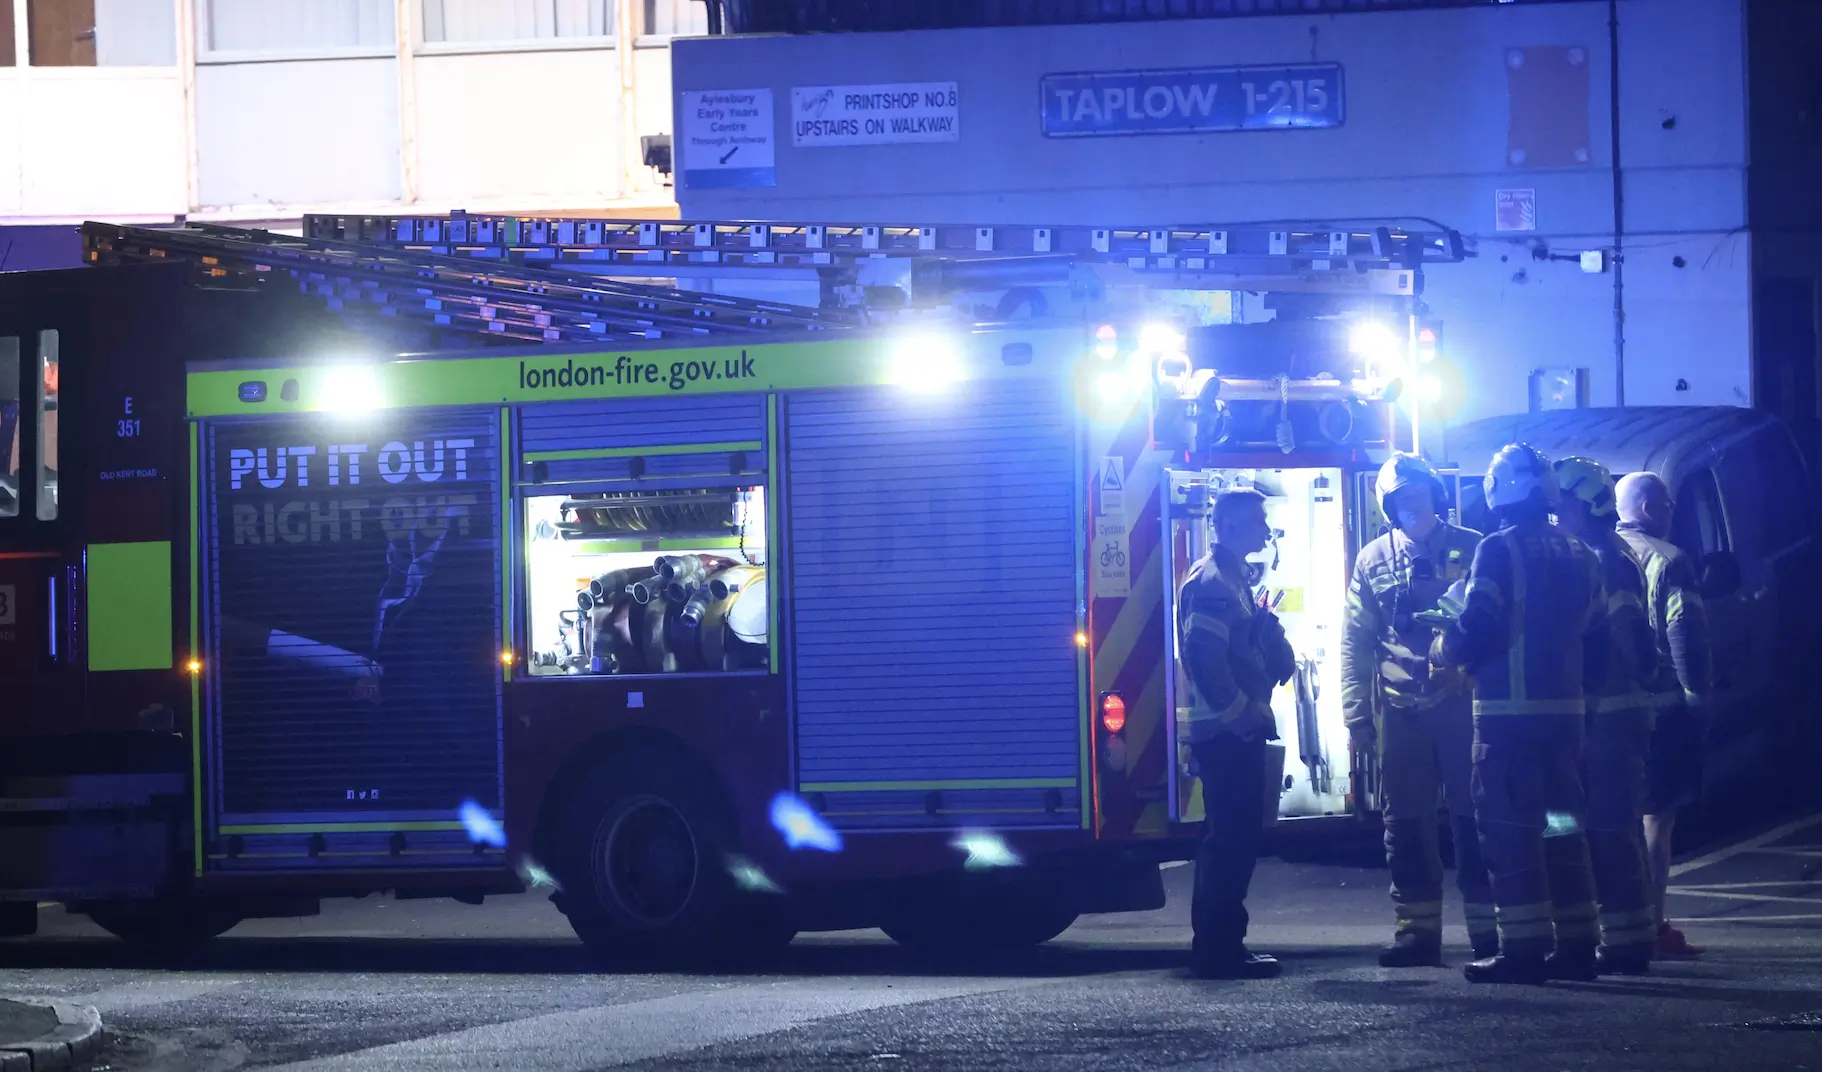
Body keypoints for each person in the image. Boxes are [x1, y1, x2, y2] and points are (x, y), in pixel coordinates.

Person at [1439, 443, 1605, 984]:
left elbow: (1480, 624)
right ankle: (1579, 944)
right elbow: (1598, 637)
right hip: (1566, 721)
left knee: (1509, 832)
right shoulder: (1581, 552)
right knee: (1562, 830)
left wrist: (1444, 646)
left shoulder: (1498, 549)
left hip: (1509, 724)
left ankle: (1523, 950)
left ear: (1500, 491)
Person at [1342, 454, 1496, 967]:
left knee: (1476, 821)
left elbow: (1494, 628)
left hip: (1462, 708)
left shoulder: (1476, 548)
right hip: (1400, 715)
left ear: (1435, 494)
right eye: (1399, 499)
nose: (1411, 505)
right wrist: (1356, 716)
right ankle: (1416, 933)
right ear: (1388, 507)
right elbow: (1356, 641)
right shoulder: (1372, 560)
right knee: (1405, 825)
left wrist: (1469, 675)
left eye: (1417, 494)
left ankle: (1489, 930)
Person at [1178, 486, 1296, 979]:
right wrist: (1239, 712)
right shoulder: (1213, 582)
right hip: (1228, 734)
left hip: (1233, 730)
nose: (1266, 529)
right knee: (1230, 842)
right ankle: (1219, 949)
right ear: (1226, 526)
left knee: (1232, 840)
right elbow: (1204, 658)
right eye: (1257, 520)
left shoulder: (1232, 577)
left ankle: (1221, 944)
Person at [1554, 457, 1659, 975]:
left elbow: (1629, 642)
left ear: (1588, 503)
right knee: (1603, 830)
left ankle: (1628, 942)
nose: (1556, 513)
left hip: (1610, 720)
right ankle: (1625, 936)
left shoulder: (1605, 560)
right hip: (1606, 717)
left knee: (1611, 831)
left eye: (1563, 504)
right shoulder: (1598, 554)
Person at [1615, 471, 1713, 959]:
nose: (1673, 510)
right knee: (1657, 822)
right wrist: (1698, 695)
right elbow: (1684, 634)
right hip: (1659, 708)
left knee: (1606, 819)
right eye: (1668, 503)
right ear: (1651, 508)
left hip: (1599, 711)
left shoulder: (1592, 554)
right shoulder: (1670, 560)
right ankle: (1650, 924)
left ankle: (1604, 919)